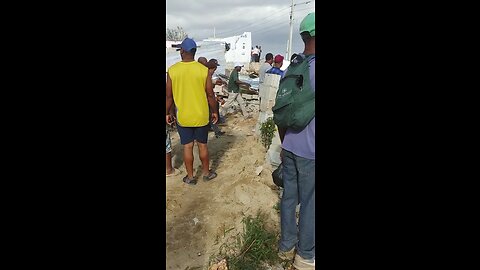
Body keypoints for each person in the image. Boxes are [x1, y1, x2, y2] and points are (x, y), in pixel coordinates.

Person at [277, 12, 315, 270]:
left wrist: (283, 143)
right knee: (311, 203)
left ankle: (286, 245)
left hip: (289, 144)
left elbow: (280, 111)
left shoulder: (291, 68)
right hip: (311, 151)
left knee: (289, 197)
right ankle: (305, 255)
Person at [166, 38, 218, 185]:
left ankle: (190, 177)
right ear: (194, 52)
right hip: (201, 116)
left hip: (183, 116)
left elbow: (168, 96)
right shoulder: (203, 70)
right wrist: (214, 112)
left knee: (188, 147)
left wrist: (167, 113)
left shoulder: (173, 70)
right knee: (202, 145)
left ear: (182, 51)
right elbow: (210, 95)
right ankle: (207, 173)